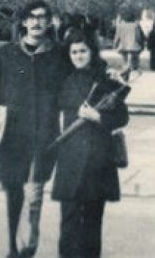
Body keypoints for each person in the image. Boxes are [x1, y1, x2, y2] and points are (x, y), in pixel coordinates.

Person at [0, 0, 71, 258]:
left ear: (49, 21)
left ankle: (27, 245)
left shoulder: (60, 56)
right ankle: (12, 246)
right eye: (31, 17)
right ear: (24, 22)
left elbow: (78, 84)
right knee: (13, 191)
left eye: (42, 17)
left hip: (44, 134)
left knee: (34, 191)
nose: (37, 22)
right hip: (10, 135)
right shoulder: (7, 54)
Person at [53, 31, 129, 258]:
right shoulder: (62, 80)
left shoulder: (106, 81)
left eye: (83, 51)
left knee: (92, 224)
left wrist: (98, 117)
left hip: (98, 160)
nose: (78, 56)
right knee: (68, 222)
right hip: (70, 158)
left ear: (92, 52)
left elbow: (122, 118)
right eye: (73, 52)